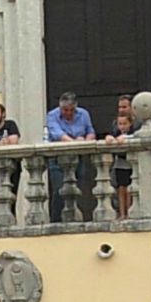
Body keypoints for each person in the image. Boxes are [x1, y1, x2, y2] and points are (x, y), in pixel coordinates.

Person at [45, 92, 96, 222]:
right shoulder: (52, 115)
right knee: (59, 190)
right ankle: (56, 220)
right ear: (60, 107)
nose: (68, 113)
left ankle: (78, 217)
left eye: (71, 110)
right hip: (57, 157)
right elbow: (57, 134)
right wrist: (75, 142)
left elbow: (90, 132)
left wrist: (86, 140)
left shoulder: (83, 114)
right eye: (65, 110)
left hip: (79, 157)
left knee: (80, 187)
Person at [105, 113, 136, 218]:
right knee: (121, 188)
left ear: (130, 124)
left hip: (130, 164)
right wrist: (109, 138)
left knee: (129, 190)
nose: (122, 126)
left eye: (125, 124)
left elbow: (136, 136)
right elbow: (110, 136)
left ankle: (129, 212)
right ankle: (122, 214)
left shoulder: (133, 132)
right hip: (120, 164)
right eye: (120, 124)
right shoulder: (116, 132)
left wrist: (125, 137)